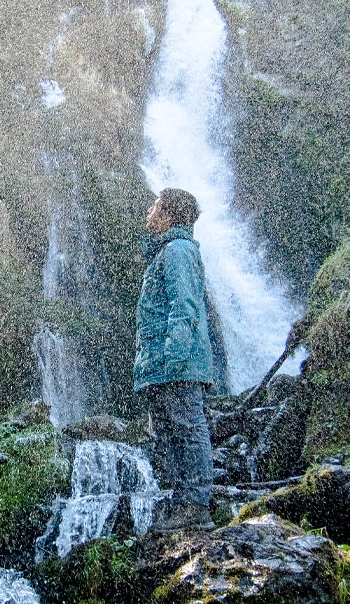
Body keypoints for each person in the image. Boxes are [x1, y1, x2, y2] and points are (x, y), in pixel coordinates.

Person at [134, 187, 216, 532]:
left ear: (168, 214)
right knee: (171, 432)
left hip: (175, 365)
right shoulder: (166, 252)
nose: (149, 211)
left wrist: (174, 356)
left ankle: (196, 505)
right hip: (161, 365)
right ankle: (183, 499)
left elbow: (184, 306)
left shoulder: (178, 251)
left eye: (155, 206)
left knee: (187, 428)